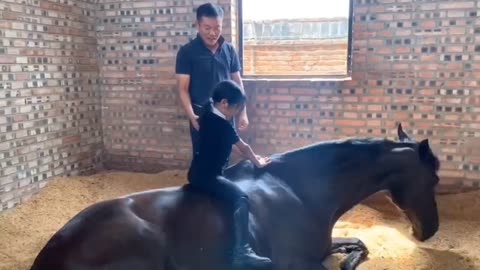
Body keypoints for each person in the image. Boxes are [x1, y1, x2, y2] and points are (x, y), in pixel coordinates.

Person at [187, 80, 273, 269]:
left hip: (196, 171)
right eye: (236, 108)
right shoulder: (222, 125)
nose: (236, 113)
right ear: (224, 103)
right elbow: (244, 147)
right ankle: (242, 252)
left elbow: (221, 145)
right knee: (241, 197)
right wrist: (256, 161)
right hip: (209, 176)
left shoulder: (206, 113)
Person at [175, 2, 249, 159]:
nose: (212, 33)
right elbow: (183, 89)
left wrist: (243, 112)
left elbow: (238, 83)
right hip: (202, 115)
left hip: (227, 112)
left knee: (225, 156)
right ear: (198, 25)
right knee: (203, 158)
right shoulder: (187, 52)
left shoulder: (229, 50)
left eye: (217, 28)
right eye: (207, 28)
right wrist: (192, 116)